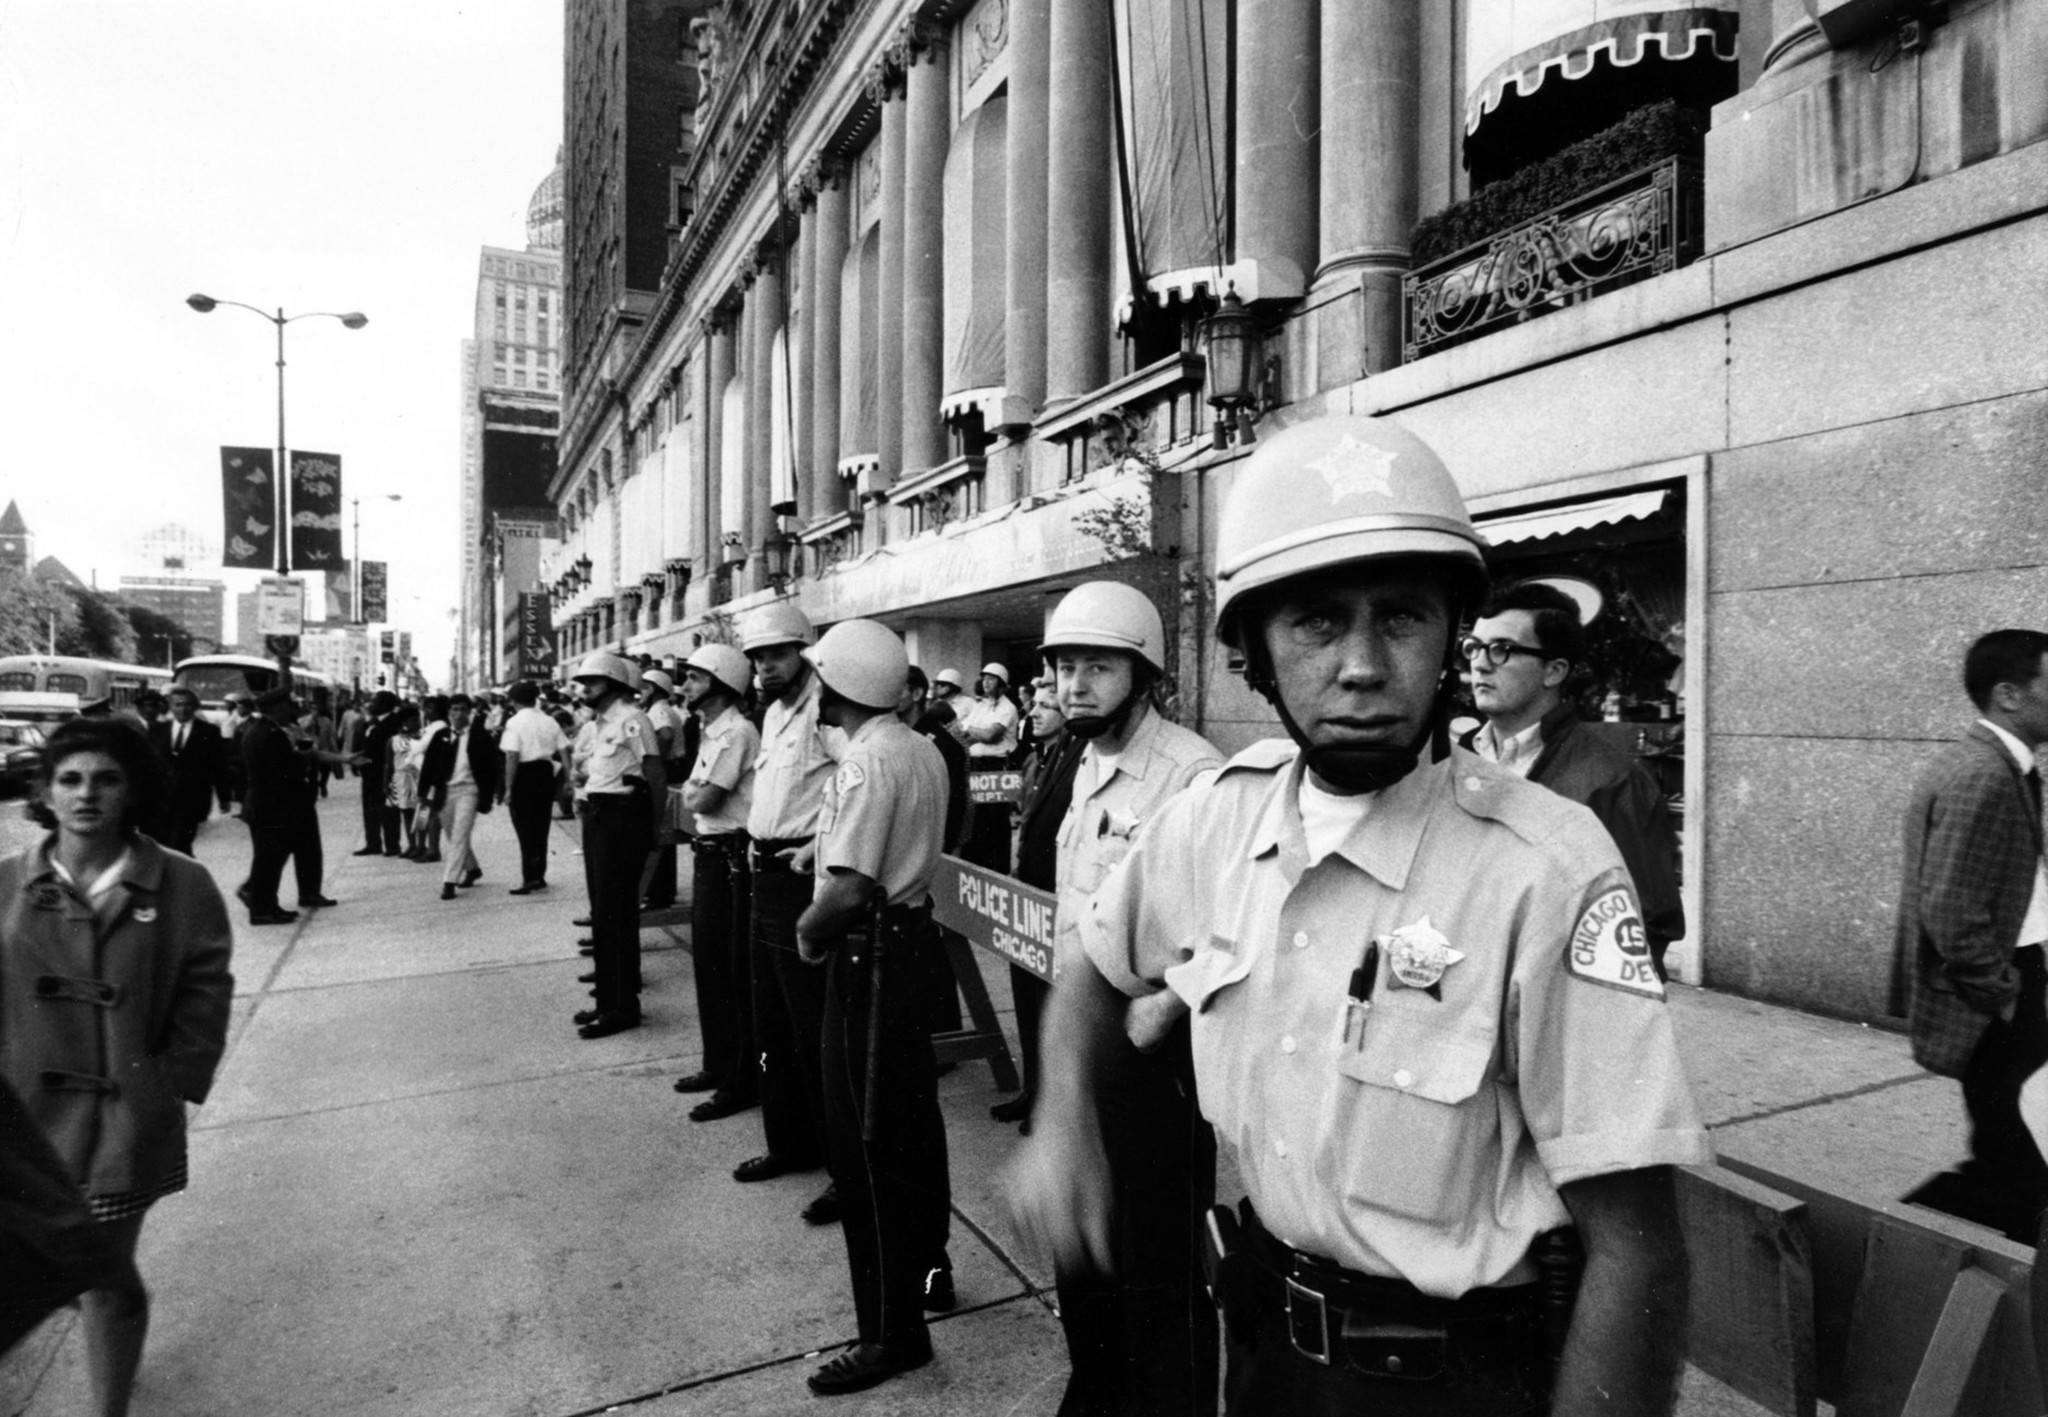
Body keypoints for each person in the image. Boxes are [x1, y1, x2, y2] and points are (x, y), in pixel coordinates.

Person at [1010, 414, 1711, 1415]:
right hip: (1258, 1359)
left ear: (1447, 637)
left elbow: (1638, 1250)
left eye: (1401, 617)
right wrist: (1064, 1119)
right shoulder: (1213, 820)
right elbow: (1093, 963)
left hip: (1449, 1381)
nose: (1362, 662)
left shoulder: (1544, 868)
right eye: (1316, 622)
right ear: (1252, 652)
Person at [1, 717, 233, 1416]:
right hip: (17, 1127)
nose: (86, 795)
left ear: (132, 791)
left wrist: (167, 1086)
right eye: (69, 779)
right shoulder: (7, 883)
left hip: (120, 1125)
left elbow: (205, 990)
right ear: (45, 790)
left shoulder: (182, 883)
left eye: (106, 779)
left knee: (101, 1275)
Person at [1033, 579, 1224, 1417]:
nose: (1075, 684)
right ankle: (1099, 1386)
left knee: (1156, 1261)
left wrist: (1166, 1004)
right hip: (1081, 1035)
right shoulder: (1084, 761)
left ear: (1142, 673)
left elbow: (1231, 923)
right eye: (1065, 666)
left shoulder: (1192, 772)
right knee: (1085, 1250)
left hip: (1152, 1054)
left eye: (1097, 666)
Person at [792, 619, 952, 1396]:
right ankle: (929, 1277)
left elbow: (851, 886)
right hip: (913, 947)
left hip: (870, 957)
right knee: (913, 1131)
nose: (813, 686)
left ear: (845, 684)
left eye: (822, 675)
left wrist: (808, 930)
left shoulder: (866, 762)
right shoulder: (918, 747)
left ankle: (891, 1333)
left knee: (866, 1148)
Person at [1899, 629, 2048, 1245]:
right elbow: (1951, 907)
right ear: (2009, 695)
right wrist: (2002, 993)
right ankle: (1895, 1239)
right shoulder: (1982, 777)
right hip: (1998, 990)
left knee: (2011, 1149)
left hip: (2013, 976)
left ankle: (1903, 1241)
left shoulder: (1998, 766)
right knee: (2016, 1158)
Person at [1461, 581, 1686, 979]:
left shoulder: (1614, 782)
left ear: (1554, 670)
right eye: (1474, 648)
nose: (1479, 663)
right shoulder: (1457, 760)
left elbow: (1645, 928)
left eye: (1502, 649)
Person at [728, 602, 833, 1208]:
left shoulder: (829, 709)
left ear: (803, 651)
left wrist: (817, 846)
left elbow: (855, 789)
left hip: (803, 875)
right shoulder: (771, 714)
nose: (766, 666)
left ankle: (840, 1164)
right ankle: (790, 1142)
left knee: (814, 1026)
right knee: (772, 1020)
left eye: (777, 654)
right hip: (764, 871)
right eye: (758, 658)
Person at [989, 678, 1084, 1131]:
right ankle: (1032, 1092)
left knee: (1051, 1009)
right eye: (1037, 706)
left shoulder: (1080, 757)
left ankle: (1053, 1107)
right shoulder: (1036, 759)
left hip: (1055, 897)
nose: (1037, 713)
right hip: (1026, 895)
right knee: (1027, 1002)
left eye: (1049, 706)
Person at [676, 642, 761, 1122]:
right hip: (710, 855)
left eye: (694, 677)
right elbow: (696, 793)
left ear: (721, 682)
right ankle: (718, 1065)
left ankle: (739, 1080)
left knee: (730, 971)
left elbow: (704, 800)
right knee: (708, 967)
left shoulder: (737, 733)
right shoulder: (712, 731)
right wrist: (695, 793)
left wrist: (695, 793)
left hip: (730, 857)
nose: (685, 685)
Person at [569, 653, 664, 1039]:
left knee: (617, 913)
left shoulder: (632, 719)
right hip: (599, 817)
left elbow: (655, 775)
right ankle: (607, 1001)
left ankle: (623, 1006)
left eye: (592, 681)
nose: (585, 688)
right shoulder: (601, 723)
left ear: (613, 683)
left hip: (623, 819)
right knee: (603, 911)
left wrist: (655, 828)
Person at [237, 688, 309, 925]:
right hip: (270, 806)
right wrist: (301, 758)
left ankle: (268, 905)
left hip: (263, 805)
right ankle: (261, 910)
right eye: (287, 705)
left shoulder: (259, 729)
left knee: (269, 858)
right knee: (268, 860)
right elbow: (283, 771)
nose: (290, 709)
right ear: (276, 708)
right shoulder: (269, 734)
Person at [419, 693, 500, 902]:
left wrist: (492, 794)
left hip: (469, 791)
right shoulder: (441, 735)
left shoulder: (480, 736)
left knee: (459, 835)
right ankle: (472, 869)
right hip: (446, 791)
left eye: (462, 710)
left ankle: (449, 882)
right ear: (449, 713)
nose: (458, 714)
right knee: (451, 833)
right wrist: (423, 793)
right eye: (454, 710)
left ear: (469, 712)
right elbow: (429, 765)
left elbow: (491, 767)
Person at [500, 680, 570, 894]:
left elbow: (512, 755)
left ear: (513, 701)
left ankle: (529, 878)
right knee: (541, 827)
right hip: (545, 774)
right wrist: (568, 779)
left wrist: (509, 787)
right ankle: (539, 875)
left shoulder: (514, 723)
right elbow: (565, 751)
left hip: (524, 775)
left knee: (525, 829)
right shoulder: (550, 721)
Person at [147, 687, 229, 855]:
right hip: (162, 801)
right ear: (170, 706)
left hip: (192, 800)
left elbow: (219, 767)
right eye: (178, 704)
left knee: (179, 844)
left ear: (195, 707)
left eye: (188, 705)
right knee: (163, 844)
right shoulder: (157, 730)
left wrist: (224, 797)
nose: (183, 709)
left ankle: (182, 877)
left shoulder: (209, 732)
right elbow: (147, 764)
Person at [638, 668, 690, 910]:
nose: (642, 692)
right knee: (666, 835)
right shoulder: (666, 708)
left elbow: (666, 735)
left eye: (646, 687)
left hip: (667, 769)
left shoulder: (658, 710)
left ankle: (658, 892)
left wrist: (652, 758)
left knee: (659, 832)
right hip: (674, 768)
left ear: (657, 690)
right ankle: (664, 890)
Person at [351, 690, 402, 857]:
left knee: (388, 809)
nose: (371, 704)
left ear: (385, 705)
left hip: (384, 773)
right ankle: (373, 843)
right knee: (369, 809)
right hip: (368, 773)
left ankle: (392, 845)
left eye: (375, 701)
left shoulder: (394, 723)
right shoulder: (370, 722)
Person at [385, 704, 422, 858]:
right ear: (404, 722)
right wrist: (386, 783)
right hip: (401, 779)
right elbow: (388, 764)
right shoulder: (393, 740)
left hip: (418, 777)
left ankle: (422, 844)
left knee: (421, 812)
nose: (417, 723)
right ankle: (412, 844)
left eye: (418, 720)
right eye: (413, 720)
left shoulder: (422, 738)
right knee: (406, 812)